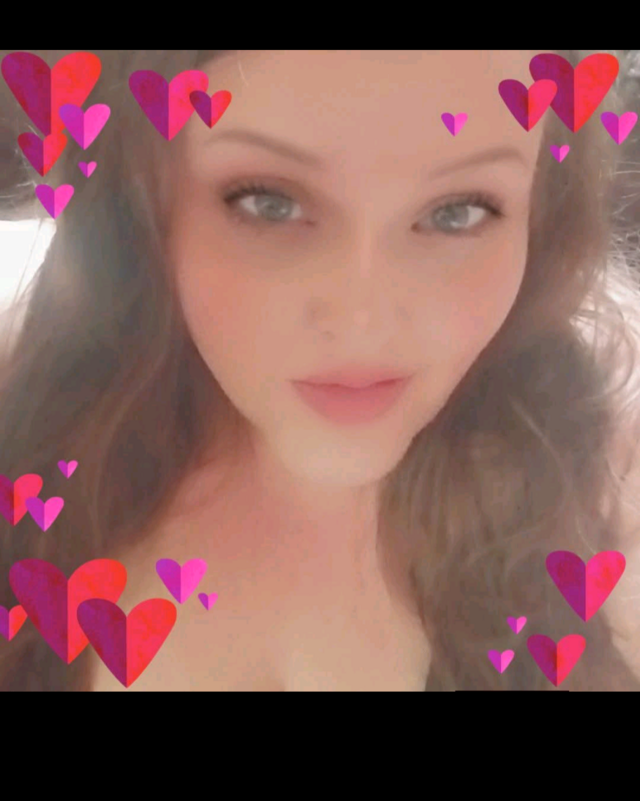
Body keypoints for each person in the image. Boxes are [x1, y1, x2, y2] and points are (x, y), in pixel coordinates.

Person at [0, 49, 639, 691]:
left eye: (457, 213)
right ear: (142, 203)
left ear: (541, 216)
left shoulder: (602, 495)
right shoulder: (25, 426)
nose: (363, 322)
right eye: (269, 203)